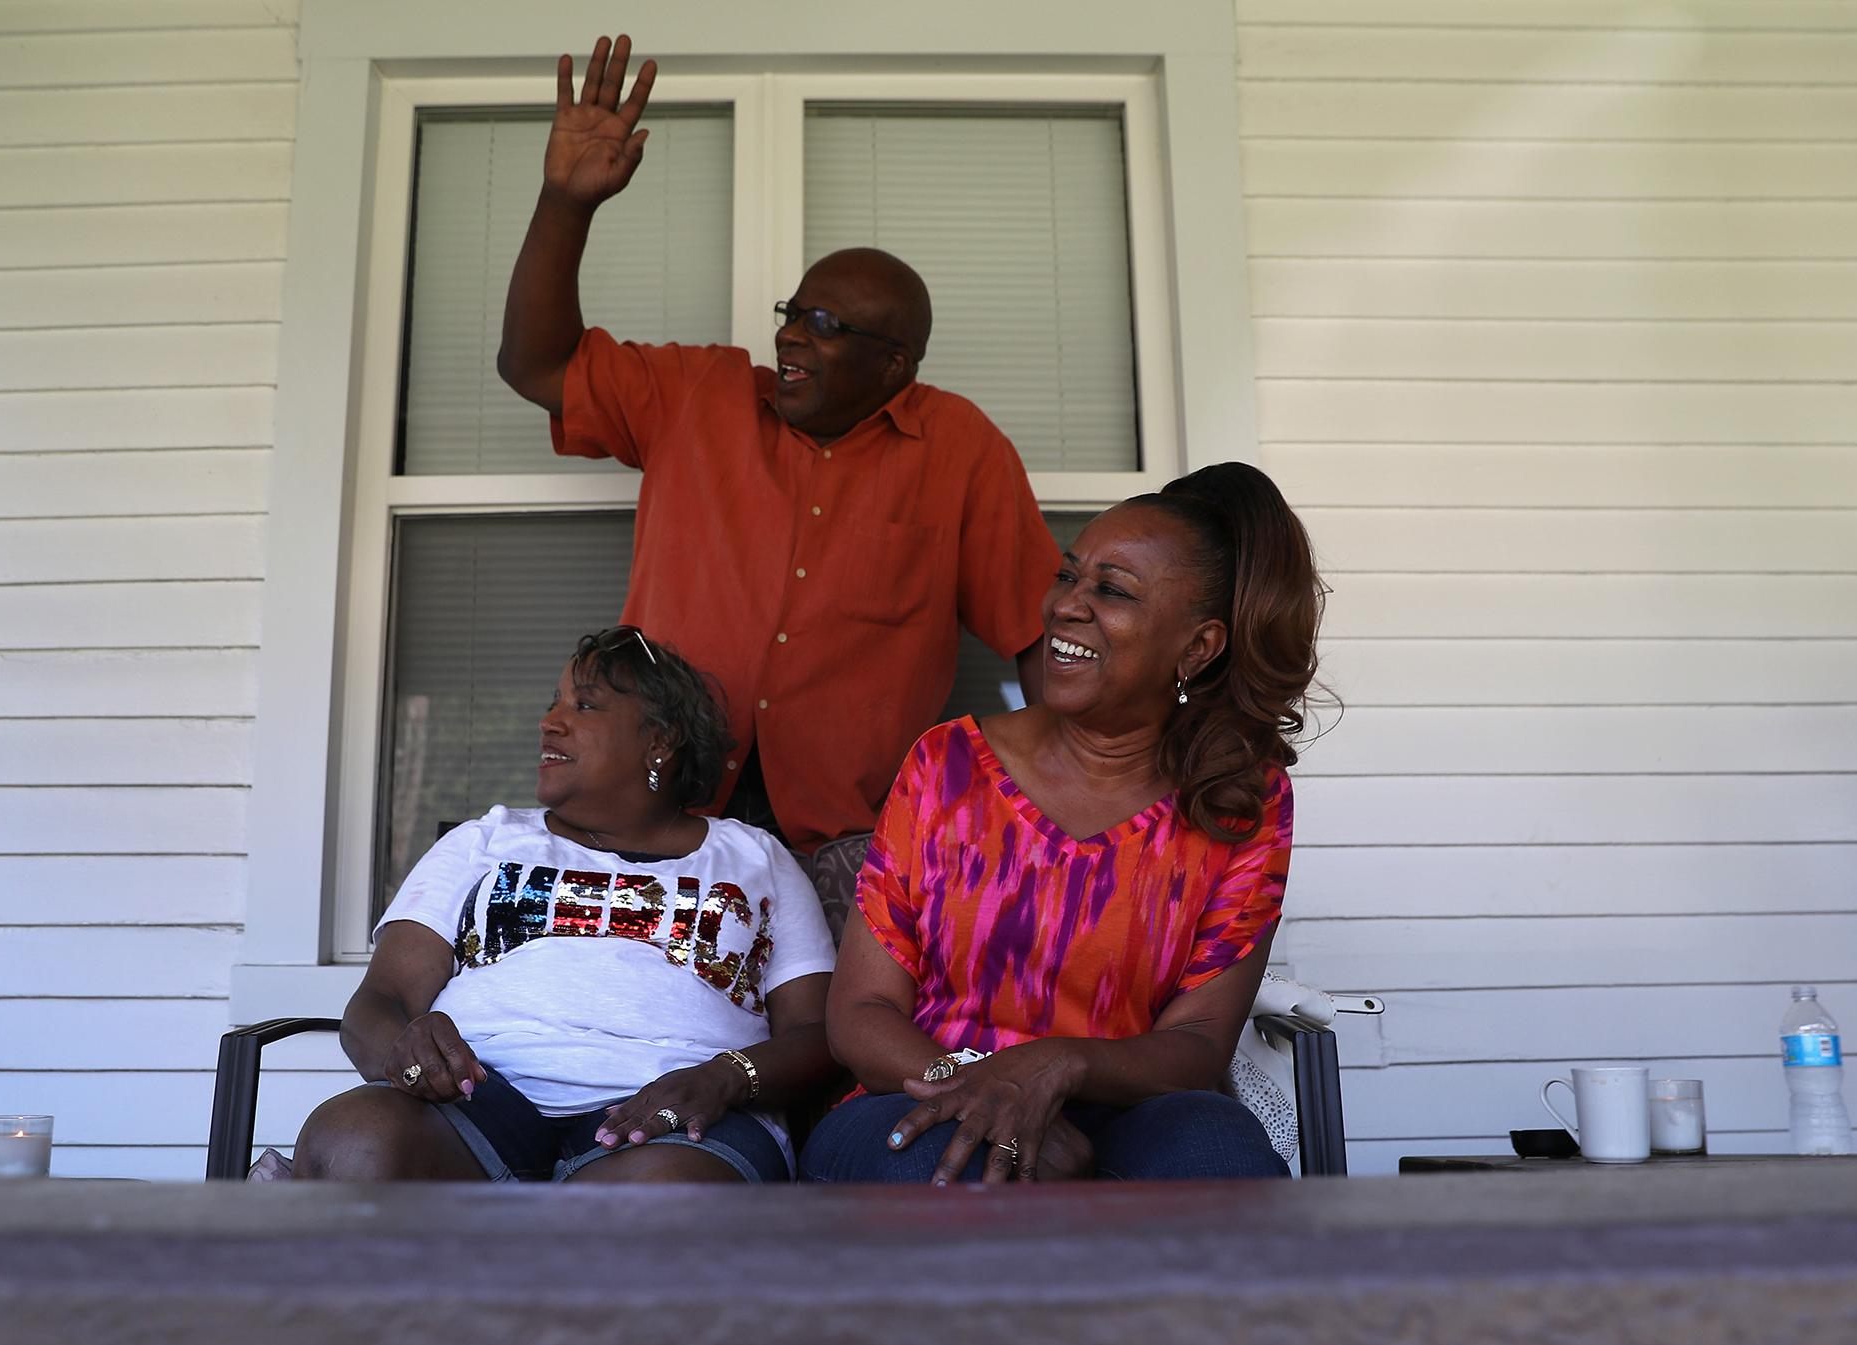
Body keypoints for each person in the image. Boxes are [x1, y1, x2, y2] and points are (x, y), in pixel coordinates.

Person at [495, 34, 1061, 858]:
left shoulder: (959, 449)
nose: (791, 337)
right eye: (791, 313)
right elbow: (535, 364)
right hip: (653, 816)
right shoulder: (699, 395)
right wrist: (566, 203)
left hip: (847, 839)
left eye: (824, 326)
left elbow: (1036, 638)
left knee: (836, 995)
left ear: (894, 364)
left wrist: (1063, 811)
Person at [800, 463, 1324, 1186]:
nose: (1066, 607)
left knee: (1218, 1159)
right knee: (963, 1172)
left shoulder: (1239, 801)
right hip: (922, 1087)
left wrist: (1061, 1064)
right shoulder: (948, 762)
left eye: (1111, 591)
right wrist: (981, 1090)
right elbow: (861, 1010)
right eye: (1068, 576)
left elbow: (1200, 1041)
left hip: (1124, 1105)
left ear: (1197, 648)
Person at [292, 627, 836, 1185]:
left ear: (661, 740)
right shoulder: (486, 841)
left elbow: (818, 1034)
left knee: (658, 1201)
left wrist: (725, 1078)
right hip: (473, 1099)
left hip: (680, 1115)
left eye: (584, 705)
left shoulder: (756, 859)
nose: (550, 722)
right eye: (554, 703)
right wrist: (409, 1052)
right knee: (355, 1141)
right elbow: (379, 1002)